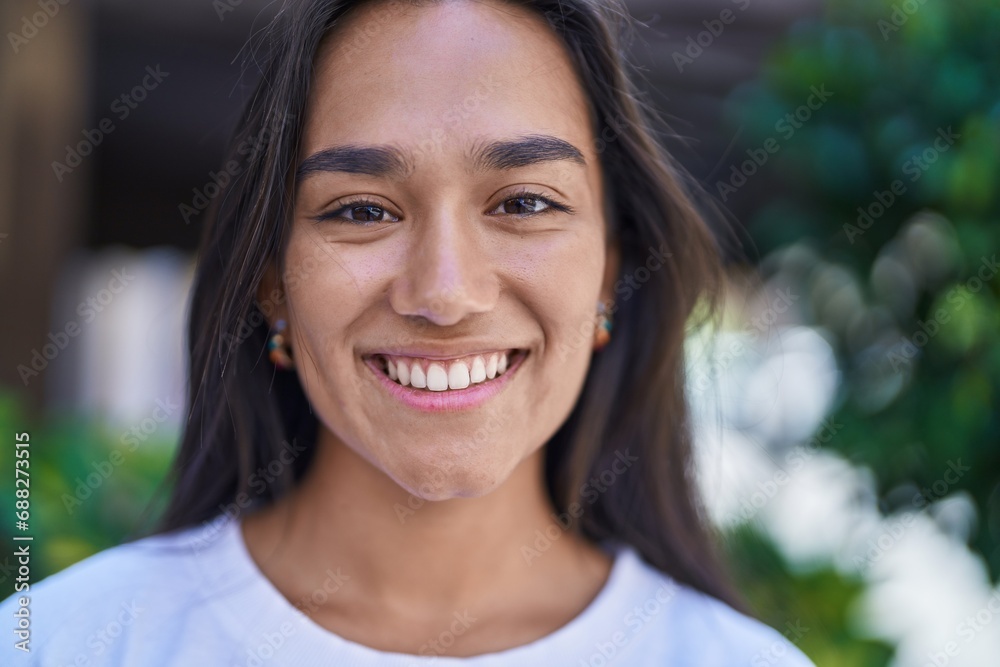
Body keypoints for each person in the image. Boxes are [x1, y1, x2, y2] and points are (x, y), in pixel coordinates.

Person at [1, 0, 815, 664]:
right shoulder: (62, 644)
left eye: (524, 202)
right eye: (361, 210)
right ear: (271, 284)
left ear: (610, 269)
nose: (446, 293)